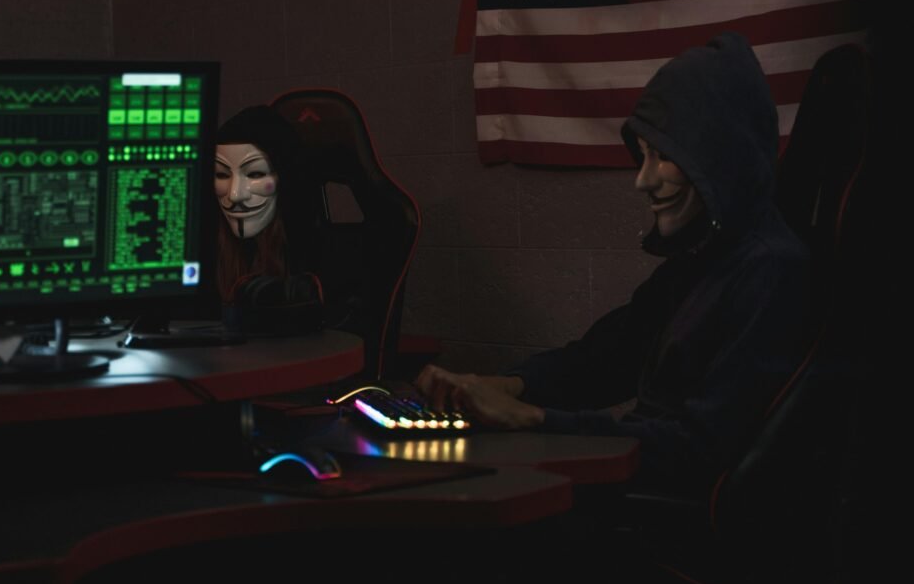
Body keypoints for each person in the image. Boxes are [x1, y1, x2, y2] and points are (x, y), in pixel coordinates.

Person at [415, 32, 810, 496]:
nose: (643, 181)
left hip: (673, 516)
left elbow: (699, 450)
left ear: (719, 158)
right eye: (643, 157)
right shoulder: (701, 260)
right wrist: (503, 386)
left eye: (663, 158)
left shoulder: (771, 272)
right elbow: (603, 358)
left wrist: (536, 420)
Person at [212, 105, 322, 335]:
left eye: (255, 174)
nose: (235, 194)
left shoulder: (313, 261)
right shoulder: (206, 258)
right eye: (222, 175)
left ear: (286, 178)